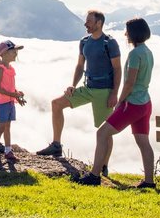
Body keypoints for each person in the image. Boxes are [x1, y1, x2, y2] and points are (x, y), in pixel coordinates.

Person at [36, 10, 121, 175]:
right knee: (56, 104)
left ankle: (103, 166)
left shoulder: (110, 43)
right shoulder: (84, 42)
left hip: (104, 91)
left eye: (89, 21)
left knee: (105, 130)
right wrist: (72, 85)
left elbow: (117, 69)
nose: (85, 24)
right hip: (87, 88)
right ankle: (56, 145)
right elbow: (80, 66)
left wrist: (114, 93)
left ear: (99, 23)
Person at [77, 17, 156, 188]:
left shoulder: (135, 54)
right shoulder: (147, 52)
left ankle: (94, 175)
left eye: (127, 31)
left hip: (132, 104)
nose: (125, 34)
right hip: (145, 103)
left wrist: (120, 101)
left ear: (133, 33)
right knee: (143, 142)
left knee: (102, 134)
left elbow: (130, 82)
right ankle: (149, 182)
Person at [0, 40, 27, 162]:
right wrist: (12, 94)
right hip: (2, 102)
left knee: (7, 127)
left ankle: (8, 151)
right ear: (4, 53)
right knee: (2, 127)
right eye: (13, 51)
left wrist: (17, 94)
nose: (16, 53)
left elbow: (10, 86)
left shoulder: (10, 68)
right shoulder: (0, 68)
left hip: (10, 101)